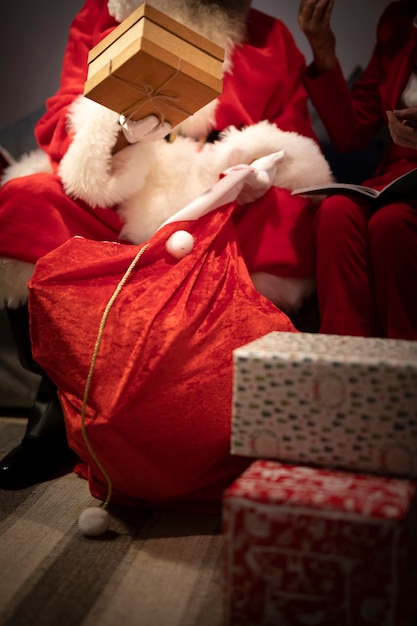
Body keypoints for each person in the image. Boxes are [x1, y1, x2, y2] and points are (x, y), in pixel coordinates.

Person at [0, 0, 326, 489]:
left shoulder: (270, 36)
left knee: (288, 218)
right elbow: (62, 116)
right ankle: (52, 416)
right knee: (26, 201)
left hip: (221, 185)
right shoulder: (100, 16)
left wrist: (257, 165)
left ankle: (245, 424)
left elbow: (291, 132)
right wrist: (115, 132)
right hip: (127, 181)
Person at [298, 0, 417, 339]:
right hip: (397, 178)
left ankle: (402, 373)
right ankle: (343, 367)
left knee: (393, 224)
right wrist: (322, 46)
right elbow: (351, 133)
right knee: (336, 212)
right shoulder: (399, 20)